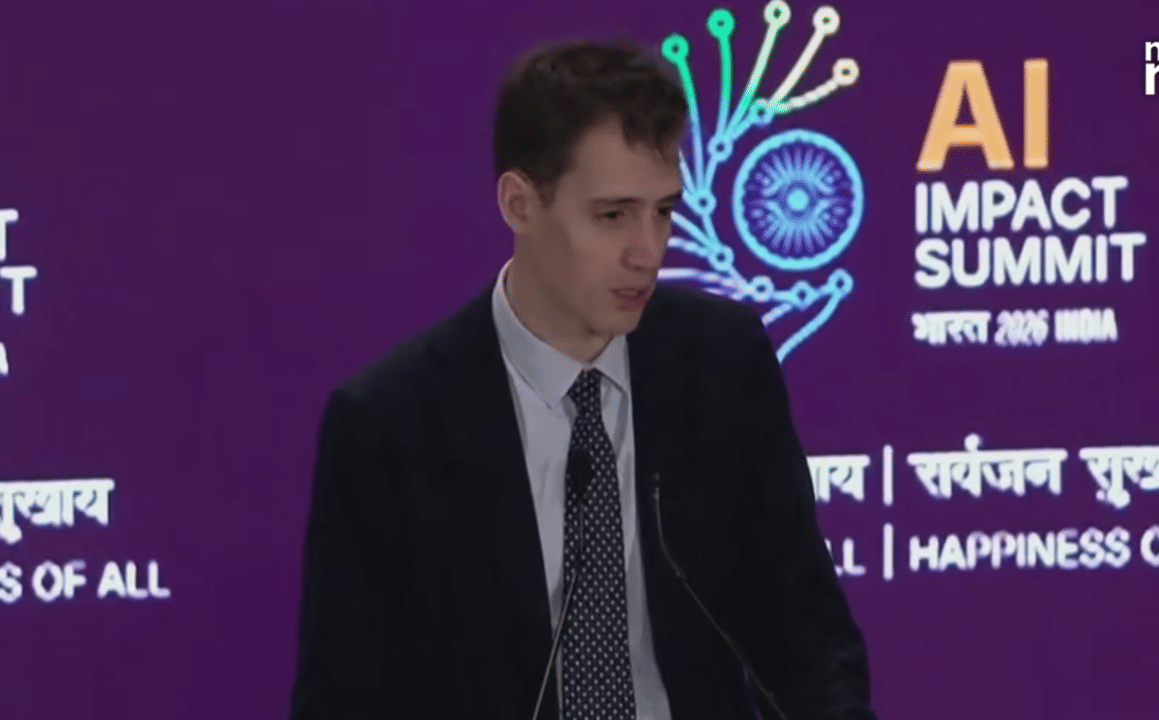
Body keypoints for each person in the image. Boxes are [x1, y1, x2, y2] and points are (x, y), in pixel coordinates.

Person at [288, 38, 878, 720]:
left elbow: (805, 629)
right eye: (613, 215)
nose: (647, 252)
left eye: (664, 211)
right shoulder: (392, 426)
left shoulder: (722, 364)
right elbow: (344, 699)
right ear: (519, 204)